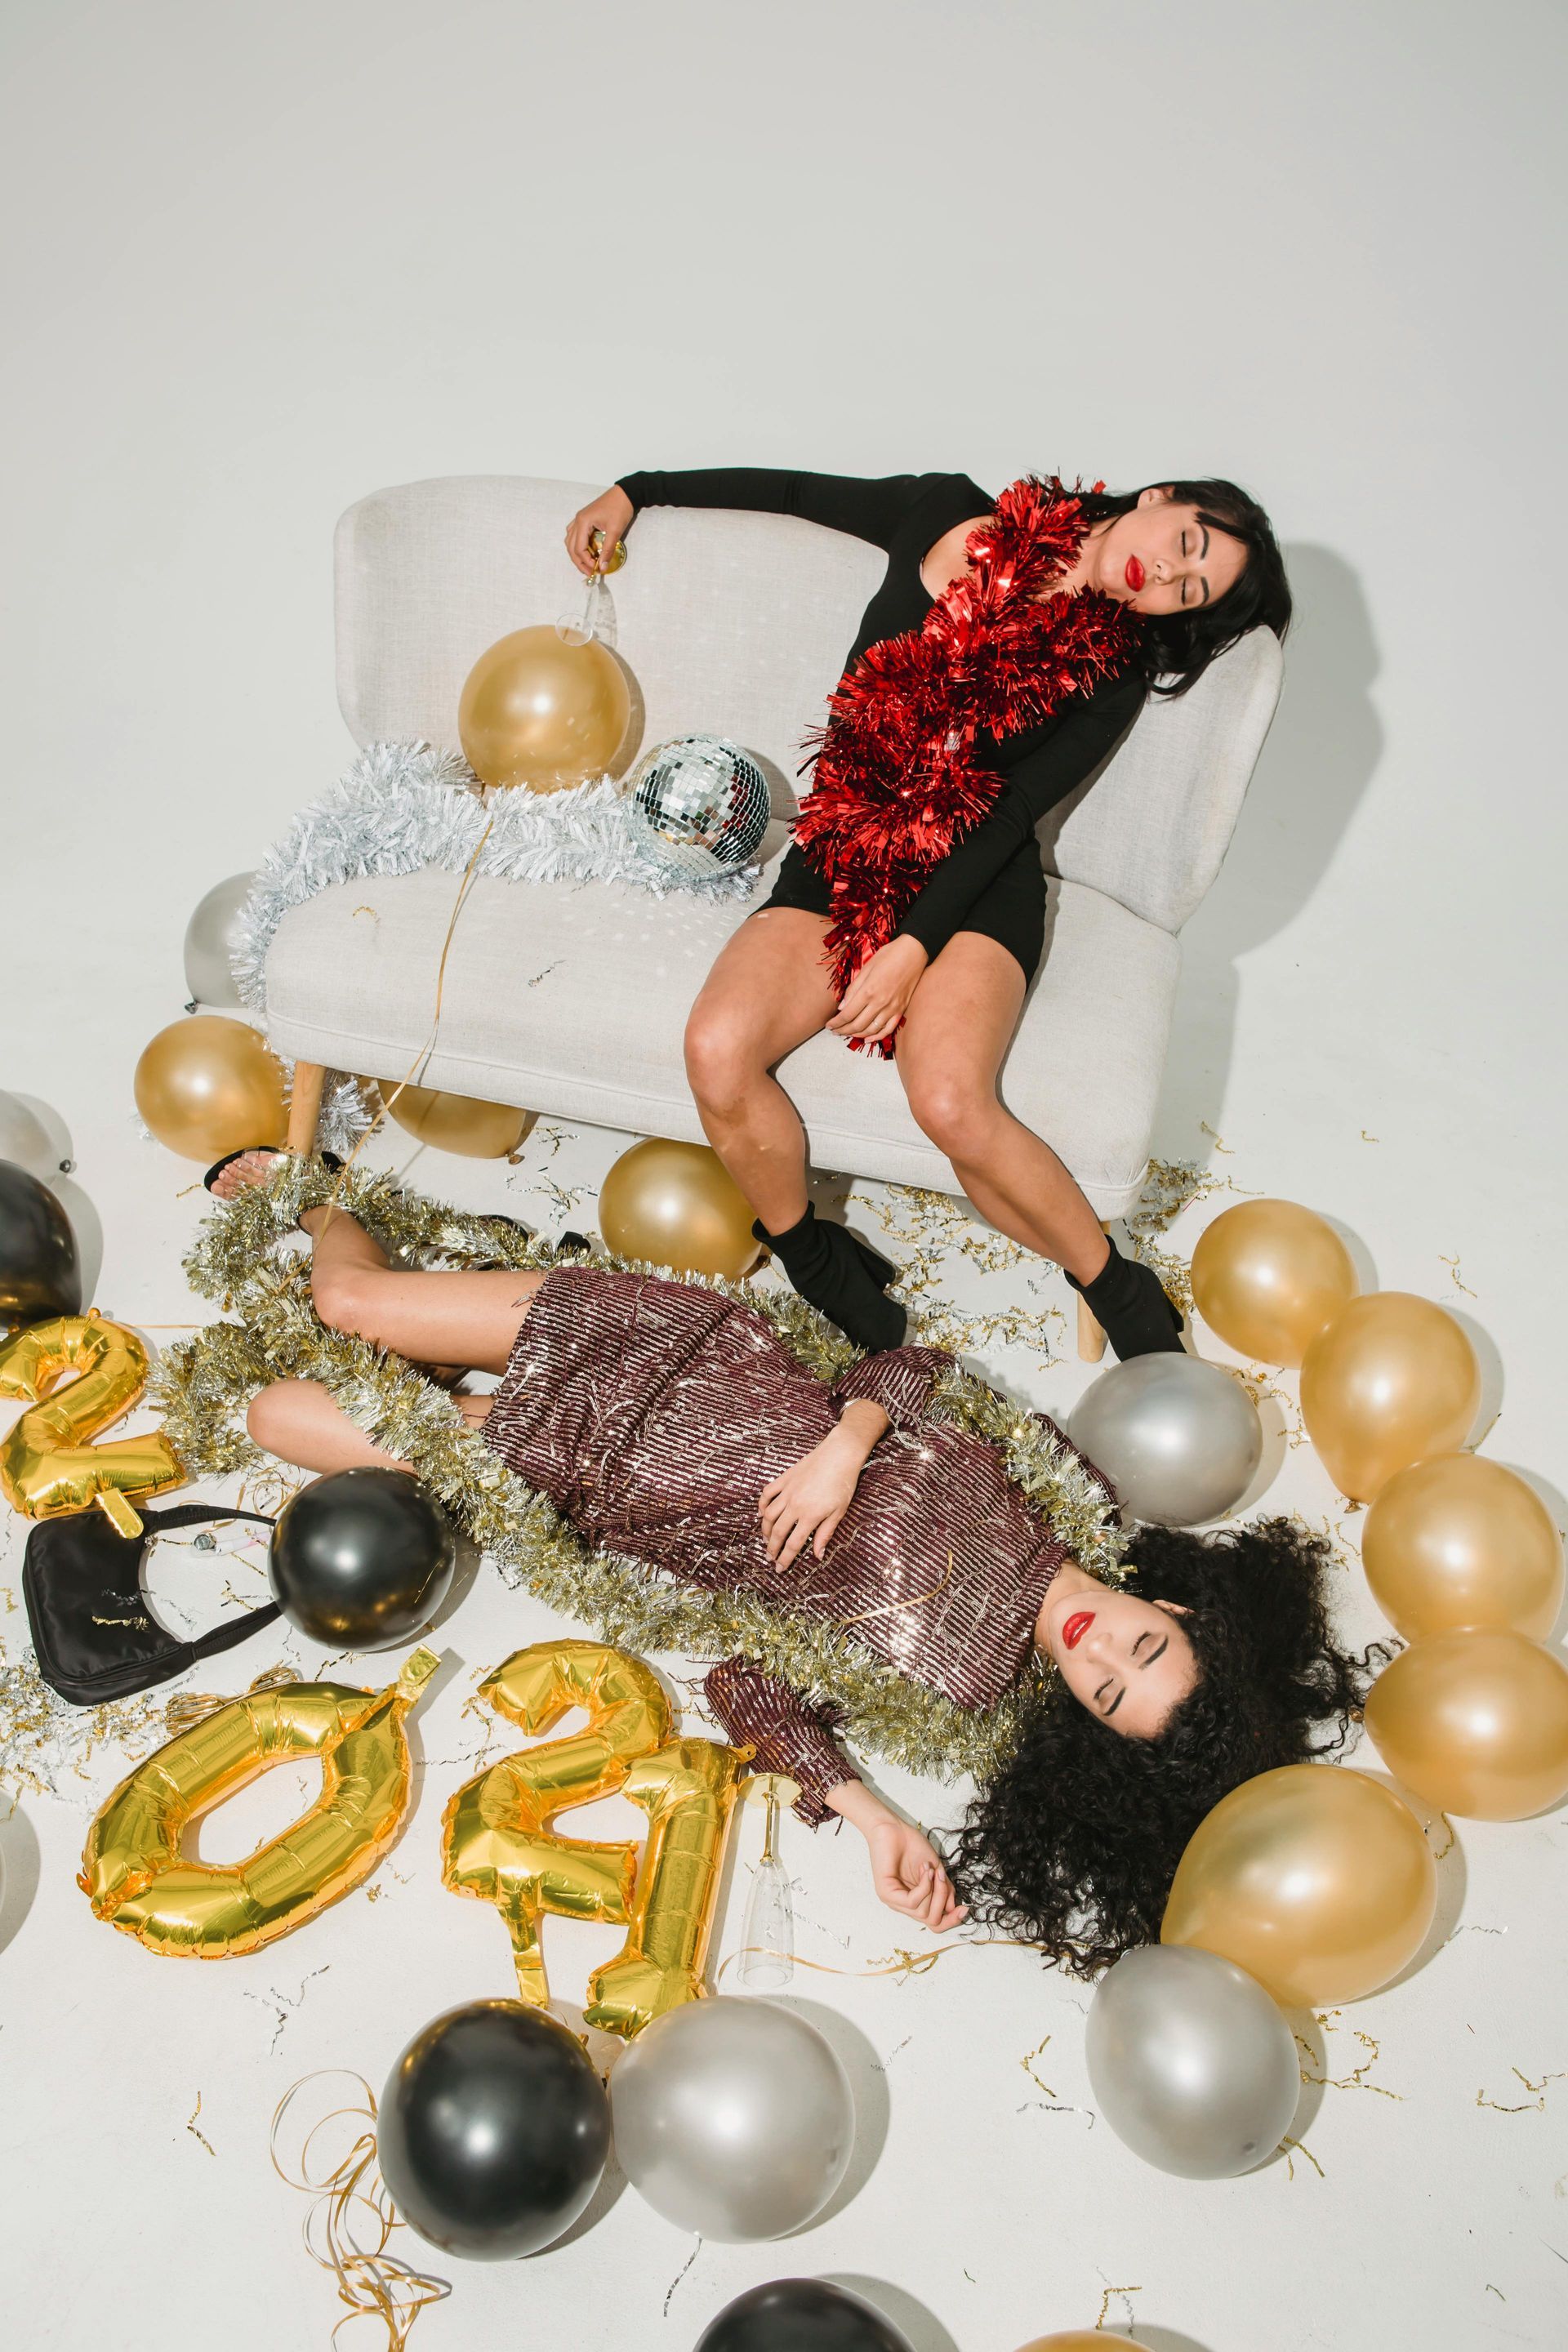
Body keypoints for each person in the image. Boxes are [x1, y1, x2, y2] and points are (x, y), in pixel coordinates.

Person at [214, 1152, 1373, 1976]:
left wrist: (871, 1817)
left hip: (604, 1480)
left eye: (1108, 1691)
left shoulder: (962, 1681)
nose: (1099, 1651)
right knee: (344, 1298)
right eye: (1144, 1643)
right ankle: (316, 1188)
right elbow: (922, 1368)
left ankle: (450, 1368)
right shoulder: (1078, 1500)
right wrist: (843, 1446)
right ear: (1170, 1602)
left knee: (277, 1416)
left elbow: (745, 1687)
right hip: (680, 1351)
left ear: (1083, 1716)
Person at [564, 466, 1291, 1365]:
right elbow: (793, 494)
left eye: (1191, 591)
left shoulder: (1114, 668)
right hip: (848, 849)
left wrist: (912, 947)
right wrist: (637, 490)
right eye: (1187, 543)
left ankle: (1113, 1281)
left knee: (950, 1102)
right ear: (1157, 499)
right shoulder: (945, 508)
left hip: (978, 883)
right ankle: (811, 1253)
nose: (1168, 578)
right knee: (717, 1050)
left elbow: (1009, 812)